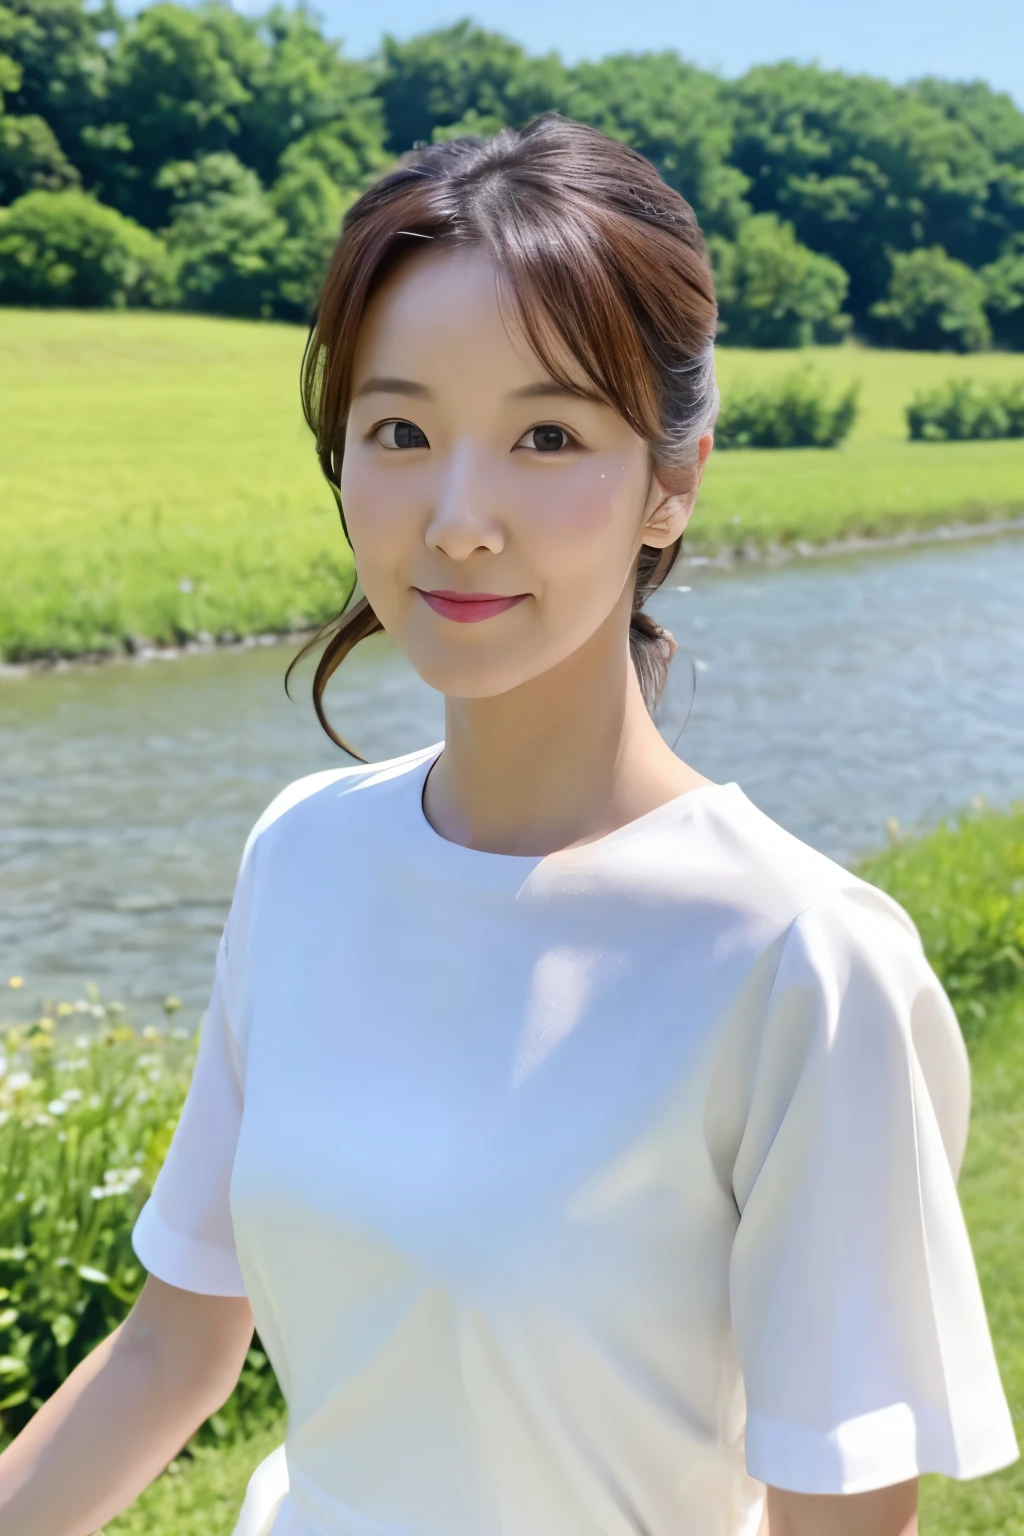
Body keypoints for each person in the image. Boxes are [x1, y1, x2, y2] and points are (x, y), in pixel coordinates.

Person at [0, 115, 1017, 1536]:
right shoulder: (301, 854)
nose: (460, 519)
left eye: (548, 436)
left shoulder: (805, 961)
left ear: (674, 481)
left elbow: (838, 1515)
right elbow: (178, 1348)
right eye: (401, 431)